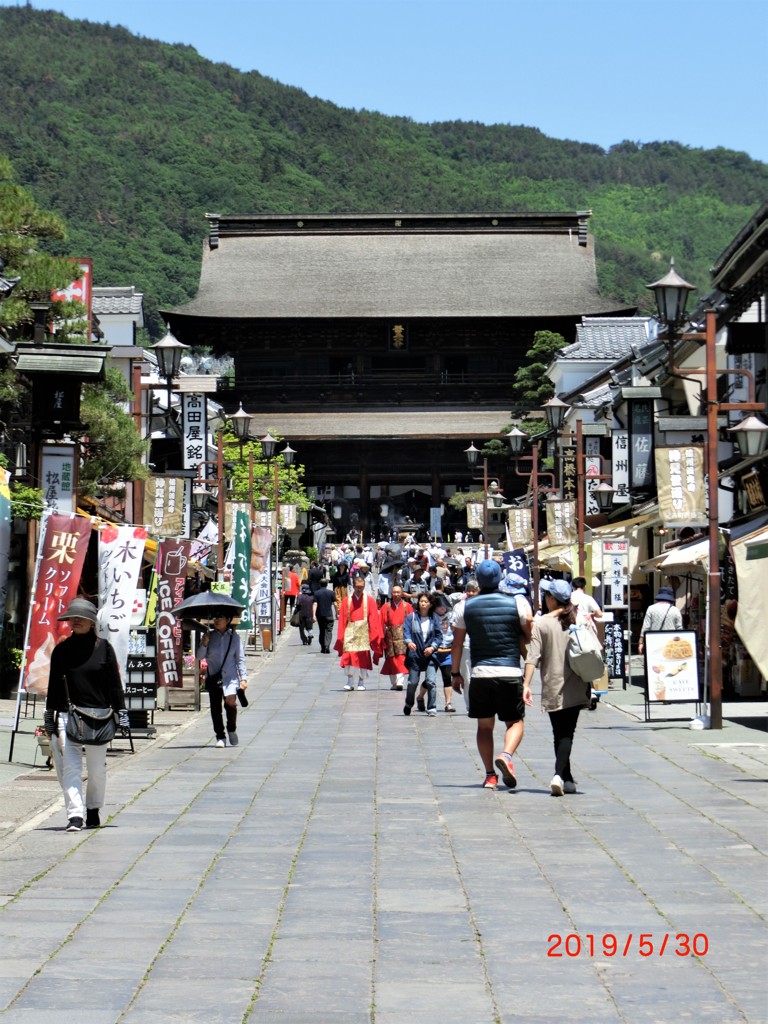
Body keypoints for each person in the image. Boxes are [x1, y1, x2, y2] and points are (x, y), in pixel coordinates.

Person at [43, 598, 129, 831]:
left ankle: (93, 809)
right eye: (73, 617)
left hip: (98, 716)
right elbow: (54, 686)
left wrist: (122, 714)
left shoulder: (104, 649)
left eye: (82, 617)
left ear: (93, 622)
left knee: (96, 769)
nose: (76, 621)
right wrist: (48, 717)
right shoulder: (61, 651)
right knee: (70, 767)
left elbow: (114, 685)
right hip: (67, 714)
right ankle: (75, 815)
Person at [450, 560, 532, 790]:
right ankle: (506, 756)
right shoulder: (516, 603)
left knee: (484, 726)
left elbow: (457, 645)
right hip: (510, 671)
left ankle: (490, 776)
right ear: (500, 578)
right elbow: (529, 637)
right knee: (515, 721)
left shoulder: (464, 606)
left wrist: (455, 673)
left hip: (480, 673)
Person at [523, 579, 591, 796]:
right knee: (567, 733)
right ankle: (566, 778)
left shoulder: (541, 623)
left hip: (552, 684)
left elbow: (533, 657)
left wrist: (525, 684)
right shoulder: (576, 618)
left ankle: (558, 776)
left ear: (551, 599)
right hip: (577, 682)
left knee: (559, 733)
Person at [199, 612, 248, 747]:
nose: (217, 620)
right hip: (214, 676)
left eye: (220, 617)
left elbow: (240, 659)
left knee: (230, 704)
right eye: (215, 617)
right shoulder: (209, 636)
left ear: (227, 619)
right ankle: (220, 736)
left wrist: (243, 678)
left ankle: (231, 729)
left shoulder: (234, 638)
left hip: (230, 677)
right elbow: (199, 656)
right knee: (215, 709)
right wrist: (205, 642)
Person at [334, 570, 383, 690]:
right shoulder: (347, 600)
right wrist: (341, 635)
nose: (359, 589)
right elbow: (343, 619)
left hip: (363, 633)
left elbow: (373, 619)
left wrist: (374, 635)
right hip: (350, 632)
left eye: (361, 587)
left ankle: (361, 681)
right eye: (357, 587)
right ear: (353, 586)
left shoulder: (370, 601)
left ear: (364, 586)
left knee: (363, 657)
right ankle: (350, 680)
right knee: (349, 656)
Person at [403, 593, 442, 716]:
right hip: (415, 655)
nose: (423, 604)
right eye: (421, 601)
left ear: (430, 604)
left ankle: (432, 707)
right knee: (412, 683)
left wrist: (433, 647)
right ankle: (409, 703)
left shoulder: (434, 618)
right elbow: (406, 632)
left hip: (430, 655)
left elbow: (439, 635)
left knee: (431, 681)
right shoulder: (411, 617)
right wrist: (409, 643)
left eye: (426, 602)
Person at [380, 583, 410, 690]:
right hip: (390, 637)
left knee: (402, 658)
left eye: (398, 592)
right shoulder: (386, 607)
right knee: (391, 659)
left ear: (402, 593)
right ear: (391, 594)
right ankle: (394, 682)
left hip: (403, 637)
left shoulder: (407, 607)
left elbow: (412, 622)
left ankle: (400, 681)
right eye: (394, 592)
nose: (396, 594)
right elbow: (381, 623)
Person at [638, 585, 684, 656]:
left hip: (654, 643)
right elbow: (679, 629)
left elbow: (646, 627)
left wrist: (641, 643)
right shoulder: (675, 610)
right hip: (670, 644)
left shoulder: (651, 609)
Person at [432, 594, 457, 712]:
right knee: (430, 680)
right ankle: (420, 696)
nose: (443, 609)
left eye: (444, 606)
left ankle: (448, 703)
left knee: (447, 677)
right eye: (440, 607)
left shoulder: (451, 616)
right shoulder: (432, 617)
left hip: (447, 651)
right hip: (434, 651)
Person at [314, 581, 338, 654]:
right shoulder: (331, 593)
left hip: (320, 615)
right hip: (329, 615)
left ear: (320, 584)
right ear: (327, 584)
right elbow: (335, 604)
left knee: (321, 630)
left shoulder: (316, 593)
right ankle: (327, 645)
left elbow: (315, 604)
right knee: (328, 630)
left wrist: (313, 615)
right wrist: (337, 613)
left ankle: (323, 647)